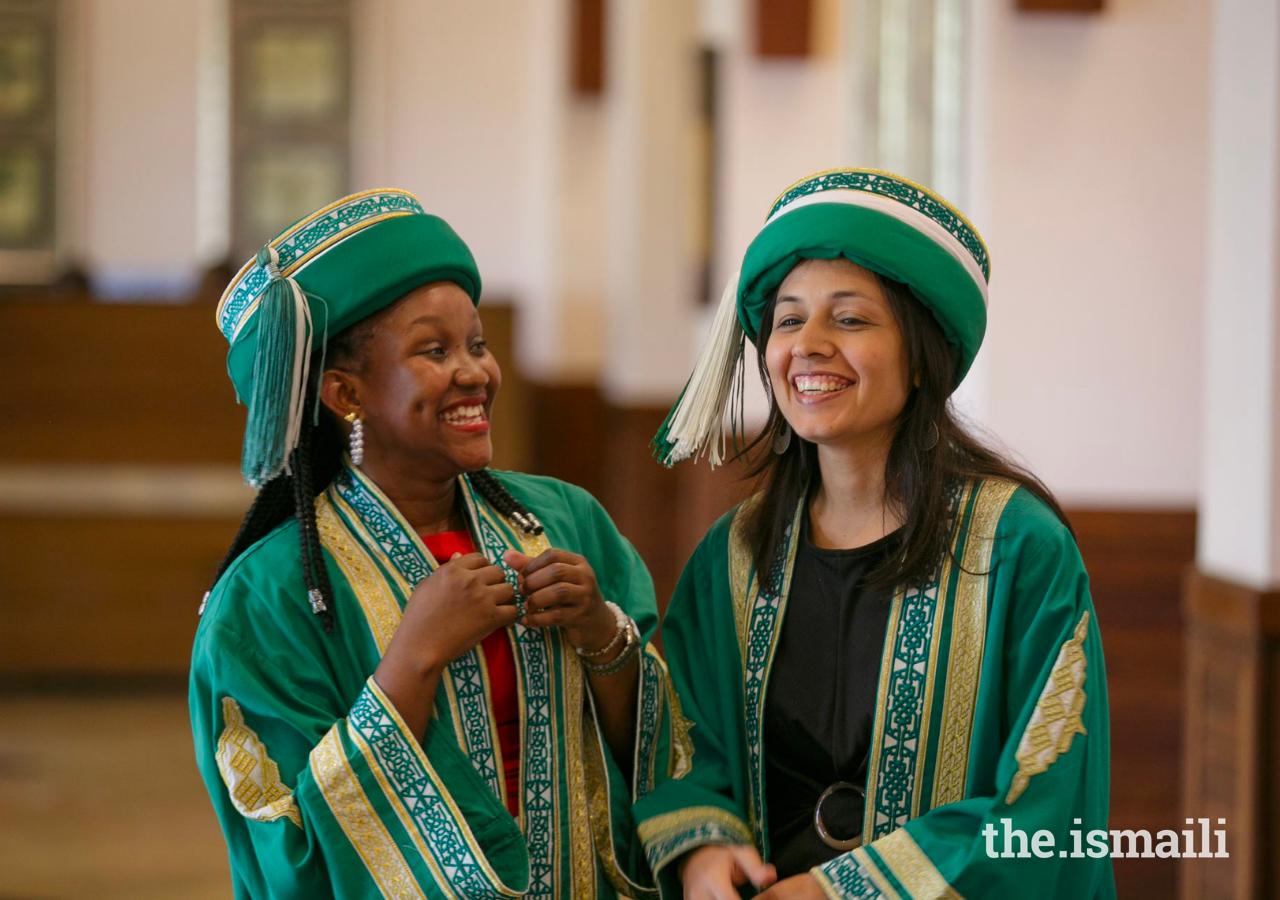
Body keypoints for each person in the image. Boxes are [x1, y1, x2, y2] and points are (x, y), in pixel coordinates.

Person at [190, 189, 687, 900]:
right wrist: (412, 660)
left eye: (478, 345)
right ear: (343, 392)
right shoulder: (270, 597)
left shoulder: (565, 520)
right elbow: (287, 852)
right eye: (435, 350)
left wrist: (601, 633)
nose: (475, 373)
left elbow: (671, 757)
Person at [636, 168, 1114, 900]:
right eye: (789, 320)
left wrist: (842, 891)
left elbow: (1047, 809)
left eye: (851, 319)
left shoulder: (1018, 549)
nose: (809, 345)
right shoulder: (731, 561)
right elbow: (682, 745)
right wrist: (705, 851)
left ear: (922, 355)